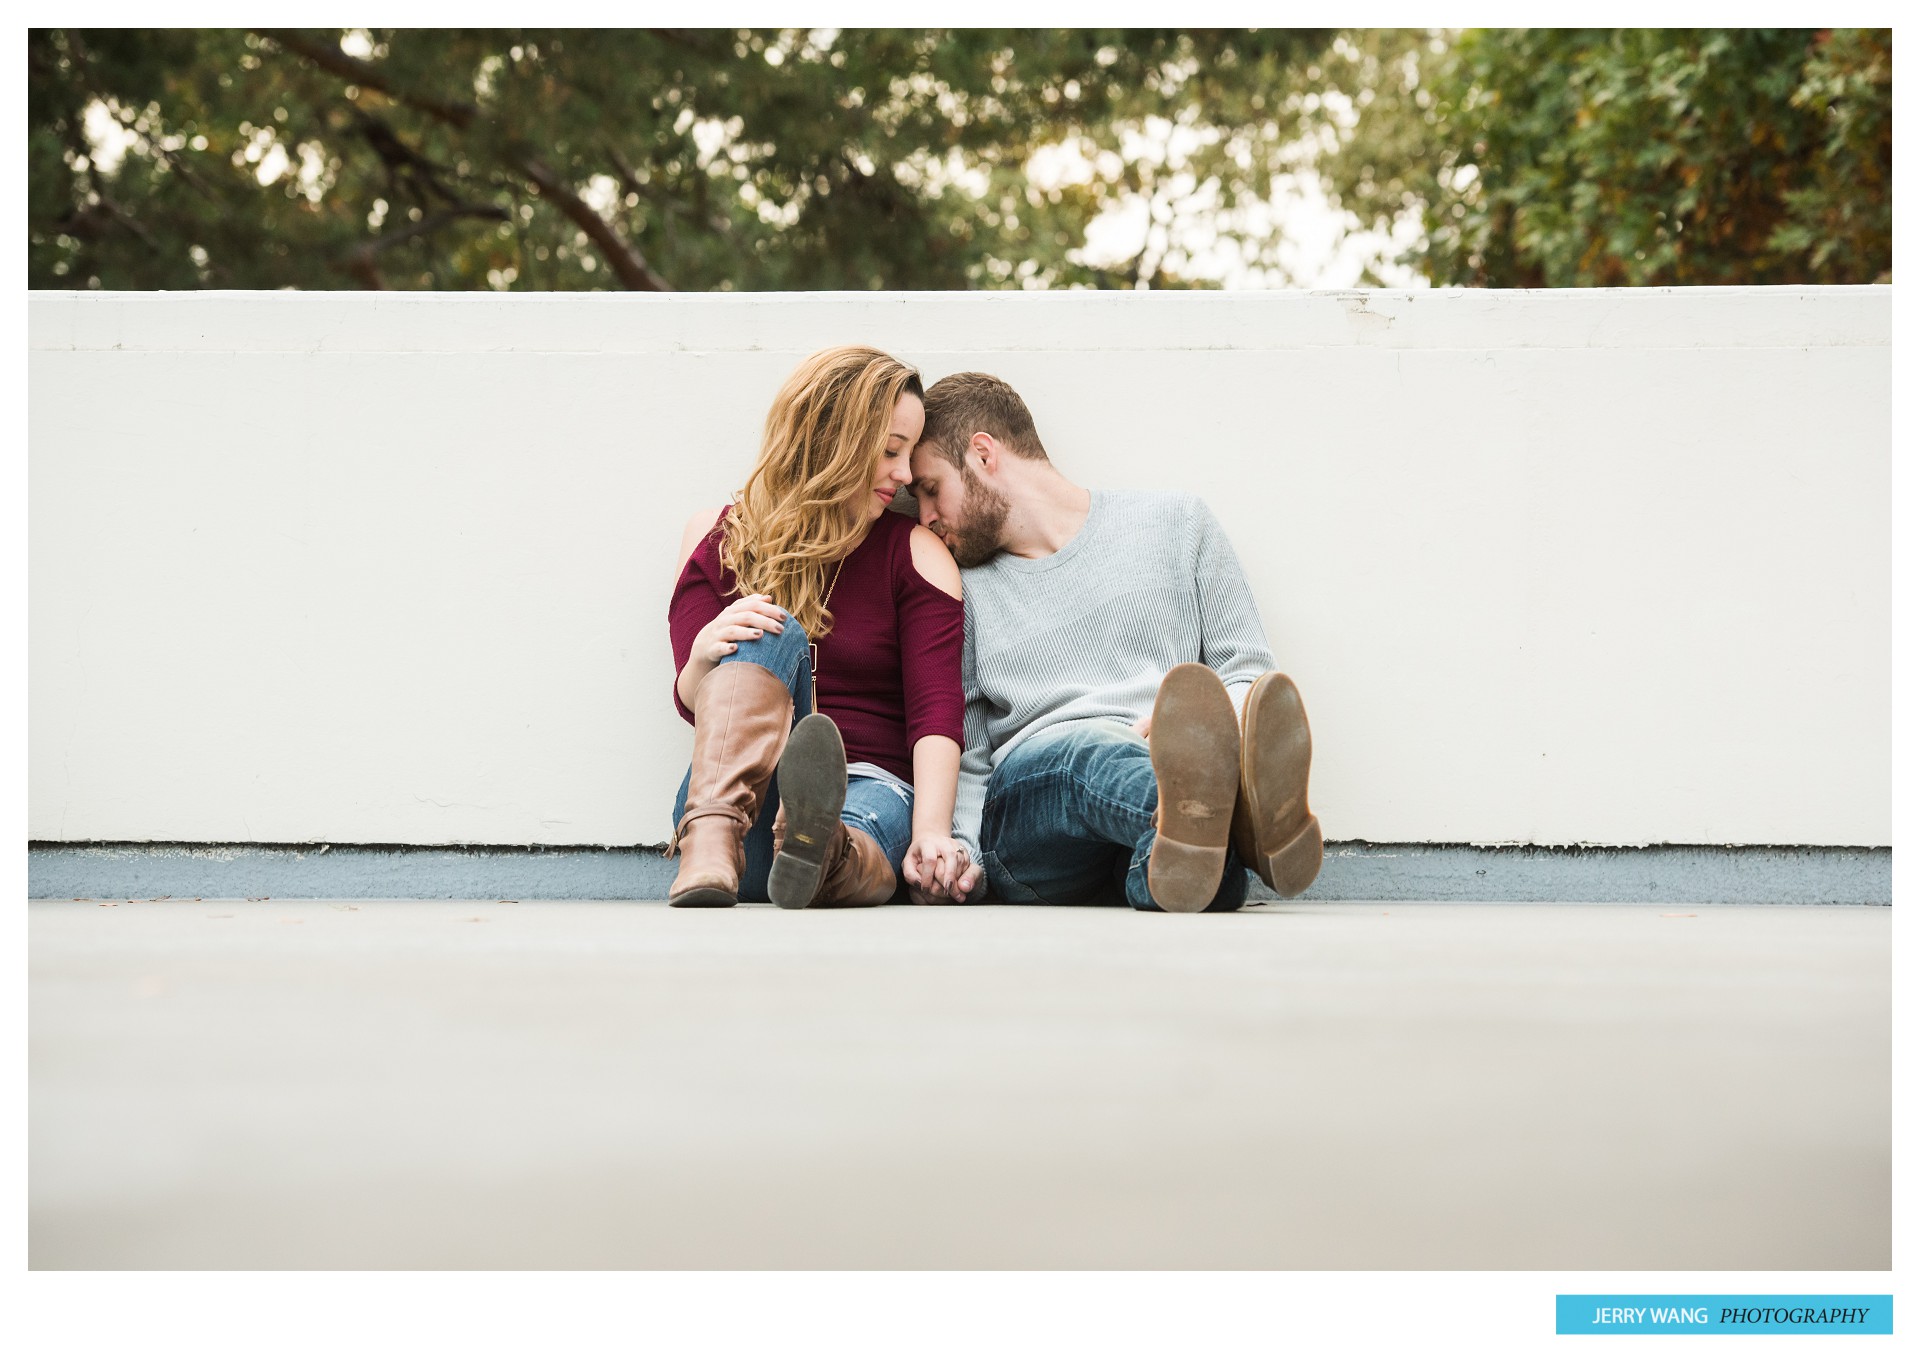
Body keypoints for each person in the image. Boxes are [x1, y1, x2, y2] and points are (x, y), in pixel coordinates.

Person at [905, 372, 1323, 913]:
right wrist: (962, 856)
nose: (925, 517)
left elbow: (1248, 675)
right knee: (1084, 755)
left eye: (931, 489)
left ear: (983, 454)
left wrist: (1189, 728)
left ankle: (1200, 835)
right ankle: (1237, 820)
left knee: (1199, 876)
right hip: (1034, 820)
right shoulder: (959, 588)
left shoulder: (1177, 524)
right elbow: (966, 745)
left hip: (1150, 783)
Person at [666, 346, 969, 909]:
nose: (904, 477)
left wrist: (931, 830)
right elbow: (692, 703)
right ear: (835, 440)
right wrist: (705, 656)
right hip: (744, 810)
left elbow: (935, 710)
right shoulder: (716, 537)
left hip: (871, 789)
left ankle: (828, 855)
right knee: (770, 626)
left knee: (851, 825)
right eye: (889, 451)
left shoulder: (914, 552)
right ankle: (712, 838)